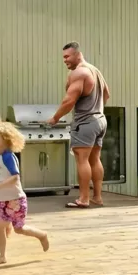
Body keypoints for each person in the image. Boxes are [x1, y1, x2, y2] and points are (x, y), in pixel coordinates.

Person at [48, 41, 110, 209]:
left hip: (85, 122)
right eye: (63, 57)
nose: (65, 60)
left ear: (77, 54)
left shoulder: (79, 73)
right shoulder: (95, 70)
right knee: (95, 159)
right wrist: (97, 110)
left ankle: (83, 199)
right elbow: (107, 94)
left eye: (67, 56)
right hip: (100, 120)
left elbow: (69, 101)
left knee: (82, 160)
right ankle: (97, 197)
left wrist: (55, 118)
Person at [0, 123, 49, 265]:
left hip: (16, 200)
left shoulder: (8, 156)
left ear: (5, 140)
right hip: (3, 200)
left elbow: (15, 177)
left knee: (19, 229)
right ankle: (2, 256)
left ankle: (42, 235)